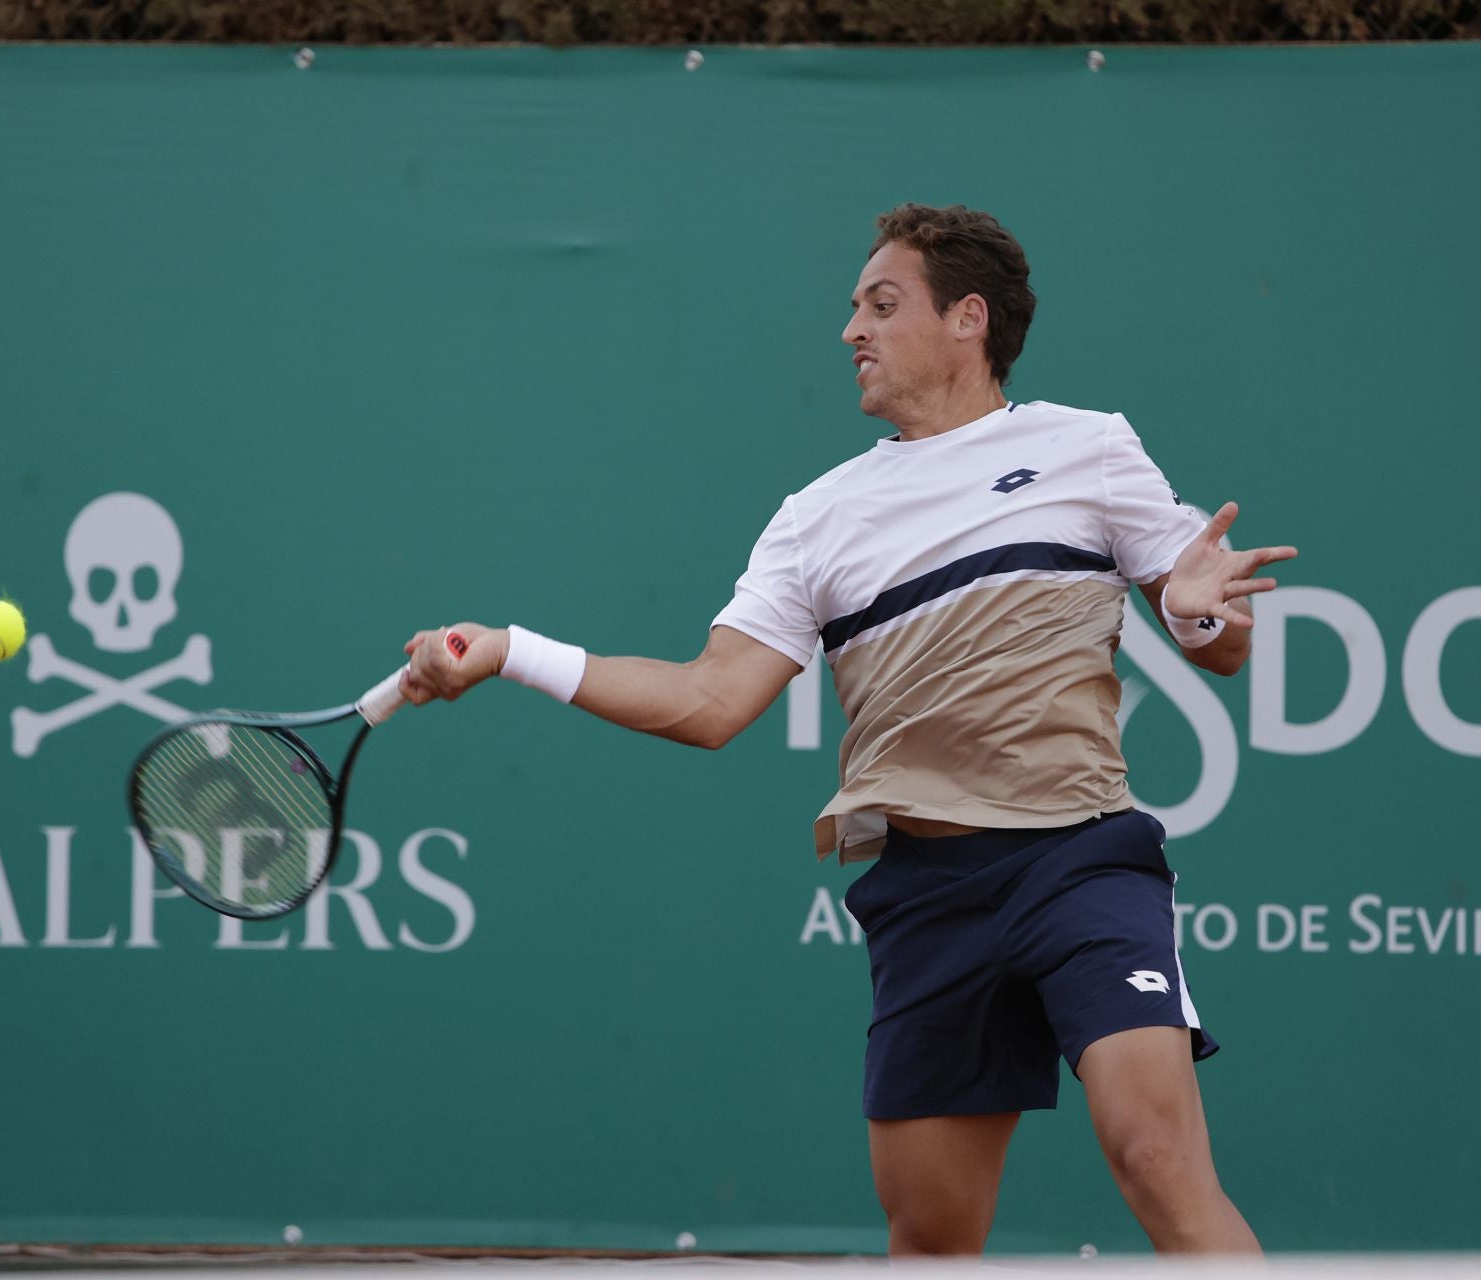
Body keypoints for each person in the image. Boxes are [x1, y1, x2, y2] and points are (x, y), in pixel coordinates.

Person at [400, 203, 1292, 1256]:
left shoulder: (1090, 450)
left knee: (1155, 1156)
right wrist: (510, 648)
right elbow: (709, 700)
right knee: (931, 1231)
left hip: (1080, 857)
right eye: (853, 308)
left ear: (968, 318)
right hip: (928, 889)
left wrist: (1194, 606)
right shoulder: (817, 514)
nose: (850, 330)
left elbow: (1222, 643)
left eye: (881, 303)